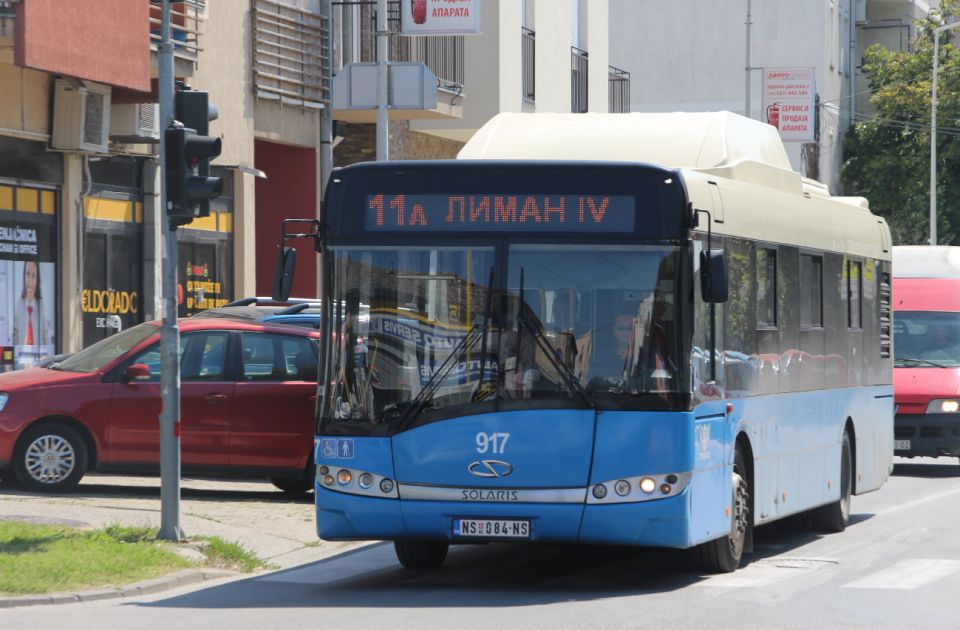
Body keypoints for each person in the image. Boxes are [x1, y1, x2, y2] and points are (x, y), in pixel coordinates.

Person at [12, 260, 51, 348]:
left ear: (37, 280)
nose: (30, 282)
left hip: (38, 358)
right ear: (23, 276)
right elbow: (13, 336)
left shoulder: (41, 305)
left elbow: (46, 336)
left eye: (34, 276)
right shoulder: (18, 304)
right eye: (27, 274)